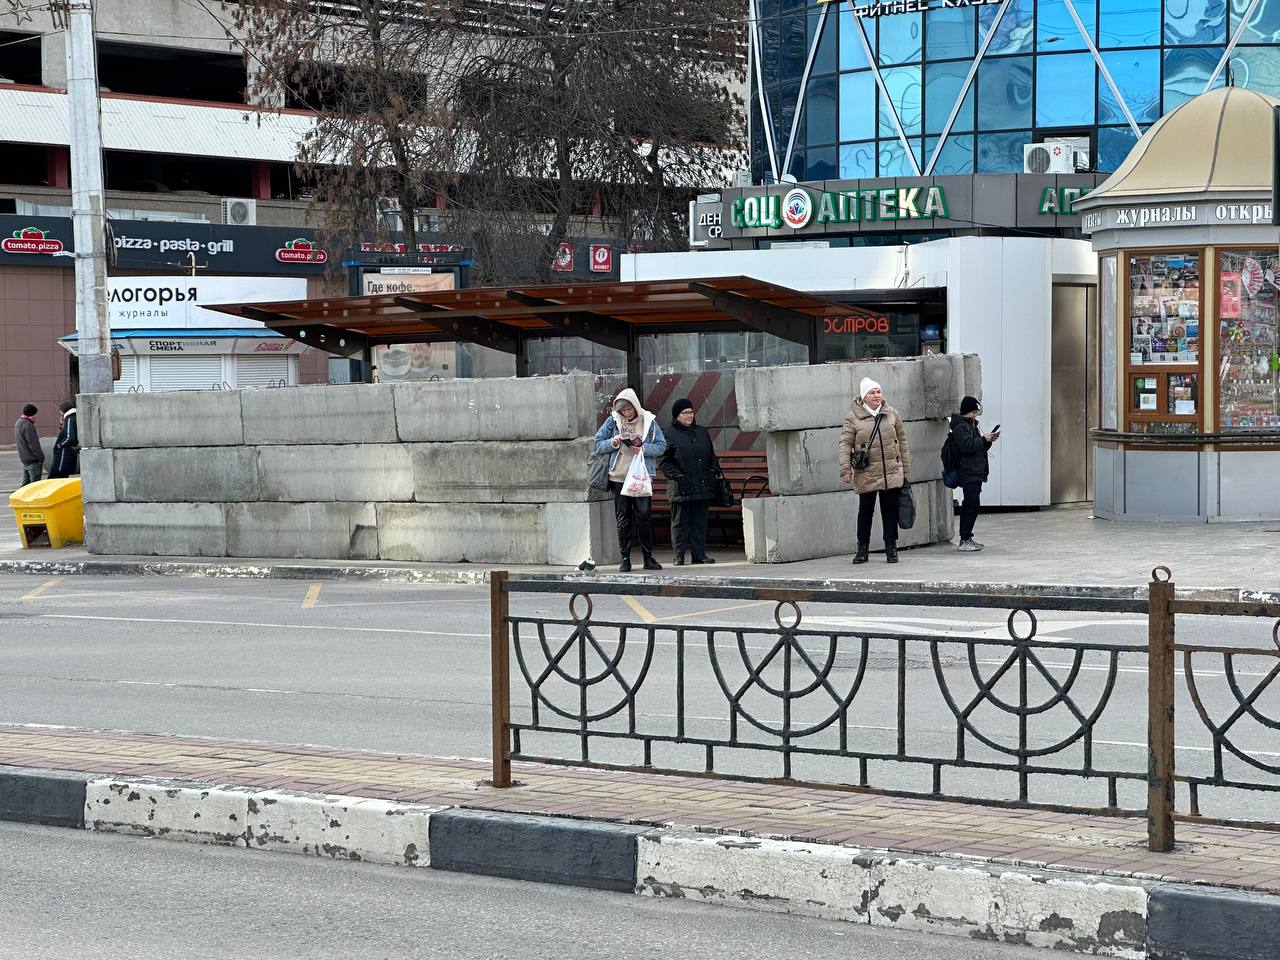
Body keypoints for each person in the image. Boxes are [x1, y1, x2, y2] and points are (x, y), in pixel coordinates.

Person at [593, 388, 667, 572]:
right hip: (618, 476)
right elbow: (597, 444)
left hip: (641, 476)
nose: (626, 413)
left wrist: (643, 448)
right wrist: (613, 442)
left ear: (636, 406)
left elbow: (661, 446)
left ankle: (648, 558)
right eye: (623, 411)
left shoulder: (648, 420)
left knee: (644, 517)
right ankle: (625, 558)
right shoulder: (613, 421)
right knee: (623, 518)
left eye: (629, 409)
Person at [838, 377, 911, 564]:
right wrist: (845, 469)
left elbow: (902, 440)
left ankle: (891, 548)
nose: (876, 395)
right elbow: (845, 444)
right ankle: (862, 549)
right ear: (863, 396)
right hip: (867, 473)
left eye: (878, 391)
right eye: (872, 392)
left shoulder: (891, 413)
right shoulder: (852, 418)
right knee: (865, 512)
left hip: (891, 472)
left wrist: (905, 467)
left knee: (890, 511)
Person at [659, 398, 719, 566]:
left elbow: (711, 454)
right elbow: (663, 461)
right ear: (676, 415)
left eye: (691, 412)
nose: (689, 415)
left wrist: (713, 469)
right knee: (680, 523)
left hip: (702, 484)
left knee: (699, 522)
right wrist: (677, 476)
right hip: (681, 487)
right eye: (684, 413)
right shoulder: (669, 433)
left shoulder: (701, 431)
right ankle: (678, 556)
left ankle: (699, 554)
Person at [950, 395, 999, 552]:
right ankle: (965, 539)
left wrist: (988, 441)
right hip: (968, 471)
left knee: (971, 505)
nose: (975, 415)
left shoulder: (971, 425)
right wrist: (983, 439)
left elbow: (978, 448)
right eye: (973, 412)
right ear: (966, 411)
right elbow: (967, 447)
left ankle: (967, 538)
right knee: (971, 505)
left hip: (975, 471)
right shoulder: (961, 427)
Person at [48, 401, 79, 480]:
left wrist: (61, 444)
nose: (60, 412)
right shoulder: (72, 418)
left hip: (64, 454)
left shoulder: (69, 419)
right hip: (66, 454)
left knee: (56, 477)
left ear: (63, 410)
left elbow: (70, 437)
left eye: (60, 410)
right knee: (61, 477)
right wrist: (62, 425)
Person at [15, 403, 42, 487]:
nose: (36, 417)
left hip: (24, 459)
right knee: (35, 486)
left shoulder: (18, 423)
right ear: (32, 415)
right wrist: (41, 457)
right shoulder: (28, 425)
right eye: (35, 414)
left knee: (25, 486)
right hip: (33, 460)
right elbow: (33, 445)